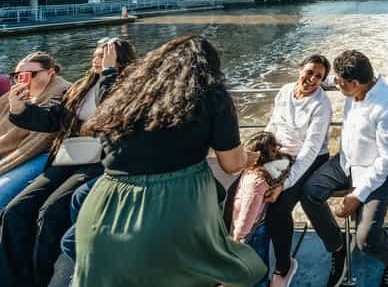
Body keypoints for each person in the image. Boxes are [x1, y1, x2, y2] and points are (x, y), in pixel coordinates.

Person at [73, 35, 266, 287]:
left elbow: (106, 95)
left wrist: (109, 70)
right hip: (175, 205)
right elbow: (230, 163)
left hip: (107, 204)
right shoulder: (212, 96)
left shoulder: (129, 91)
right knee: (243, 268)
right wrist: (246, 158)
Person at [0, 38, 135, 287]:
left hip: (101, 163)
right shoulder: (80, 87)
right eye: (95, 54)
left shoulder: (129, 88)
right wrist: (20, 109)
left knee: (50, 212)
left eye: (105, 54)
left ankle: (44, 279)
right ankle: (14, 279)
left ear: (121, 59)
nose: (97, 59)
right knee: (15, 211)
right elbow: (53, 119)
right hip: (70, 157)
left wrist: (108, 72)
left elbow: (112, 116)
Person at [300, 50, 388, 287]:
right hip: (346, 161)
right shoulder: (354, 85)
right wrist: (307, 77)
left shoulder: (387, 107)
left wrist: (358, 195)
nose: (334, 84)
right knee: (309, 193)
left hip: (378, 172)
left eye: (339, 82)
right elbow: (326, 80)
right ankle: (338, 247)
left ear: (355, 84)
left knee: (366, 240)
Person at [257, 54, 333, 287]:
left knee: (279, 208)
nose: (311, 79)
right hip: (280, 156)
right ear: (300, 69)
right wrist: (262, 152)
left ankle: (284, 266)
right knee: (253, 192)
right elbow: (273, 125)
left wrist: (285, 184)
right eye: (309, 72)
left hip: (310, 161)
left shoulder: (321, 104)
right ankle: (255, 262)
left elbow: (310, 150)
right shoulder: (285, 90)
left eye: (318, 77)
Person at [0, 52, 70, 209]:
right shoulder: (10, 99)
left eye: (30, 74)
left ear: (51, 72)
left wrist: (20, 109)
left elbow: (40, 140)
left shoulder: (63, 93)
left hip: (41, 156)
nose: (23, 79)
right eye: (17, 75)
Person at [229, 131, 291, 287]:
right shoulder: (270, 169)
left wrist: (236, 240)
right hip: (260, 226)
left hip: (250, 233)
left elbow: (247, 215)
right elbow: (286, 162)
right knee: (261, 267)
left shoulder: (254, 182)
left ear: (256, 156)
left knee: (253, 271)